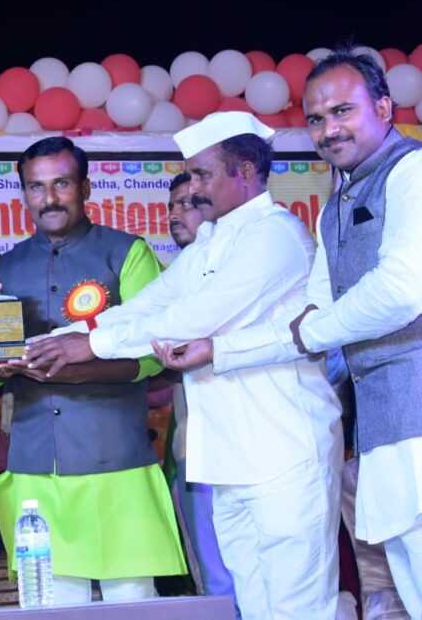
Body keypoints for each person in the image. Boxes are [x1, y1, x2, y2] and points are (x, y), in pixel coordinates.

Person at [167, 48, 422, 618]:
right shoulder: (337, 203)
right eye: (316, 119)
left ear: (384, 108)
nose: (328, 129)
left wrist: (297, 333)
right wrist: (220, 350)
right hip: (388, 428)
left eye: (343, 111)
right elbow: (311, 318)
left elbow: (399, 292)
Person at [25, 113, 343, 619]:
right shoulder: (213, 241)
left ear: (244, 171)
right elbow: (149, 304)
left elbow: (193, 317)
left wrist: (92, 346)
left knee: (299, 606)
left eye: (202, 175)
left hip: (284, 450)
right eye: (191, 175)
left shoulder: (275, 235)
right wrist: (42, 344)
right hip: (230, 456)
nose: (192, 188)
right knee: (253, 604)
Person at [0, 136, 186, 604]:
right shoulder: (3, 269)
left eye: (61, 184)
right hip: (34, 470)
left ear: (85, 188)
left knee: (132, 601)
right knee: (50, 605)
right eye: (36, 187)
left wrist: (71, 367)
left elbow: (152, 353)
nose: (49, 198)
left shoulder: (127, 253)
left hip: (116, 464)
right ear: (24, 194)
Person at [163, 172, 238, 612]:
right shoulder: (174, 280)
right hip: (193, 449)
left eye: (189, 203)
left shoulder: (244, 266)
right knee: (216, 581)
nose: (177, 213)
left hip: (252, 445)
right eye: (172, 205)